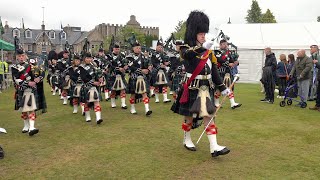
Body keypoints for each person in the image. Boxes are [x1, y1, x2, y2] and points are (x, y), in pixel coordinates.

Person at [173, 10, 230, 157]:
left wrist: (222, 87)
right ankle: (187, 139)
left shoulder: (208, 51)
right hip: (192, 87)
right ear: (194, 34)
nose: (203, 36)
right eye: (201, 34)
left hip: (206, 87)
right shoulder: (185, 48)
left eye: (204, 33)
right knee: (189, 117)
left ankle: (214, 146)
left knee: (209, 115)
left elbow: (214, 71)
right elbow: (189, 55)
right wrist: (203, 47)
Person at [11, 49, 47, 136]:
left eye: (23, 56)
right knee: (24, 110)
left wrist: (39, 78)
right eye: (19, 56)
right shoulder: (14, 67)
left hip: (31, 91)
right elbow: (16, 80)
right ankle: (26, 125)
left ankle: (32, 127)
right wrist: (28, 83)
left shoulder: (31, 66)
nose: (21, 58)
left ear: (26, 56)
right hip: (21, 90)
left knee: (31, 109)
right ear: (17, 57)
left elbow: (41, 73)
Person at [126, 41, 152, 115]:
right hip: (134, 77)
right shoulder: (129, 57)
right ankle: (132, 108)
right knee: (133, 94)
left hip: (142, 77)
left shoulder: (143, 56)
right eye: (137, 48)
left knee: (144, 93)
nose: (139, 49)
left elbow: (149, 63)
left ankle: (147, 109)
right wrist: (142, 70)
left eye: (140, 48)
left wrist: (149, 68)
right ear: (133, 48)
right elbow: (131, 67)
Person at [214, 39, 242, 109]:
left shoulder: (228, 53)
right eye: (224, 44)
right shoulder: (217, 52)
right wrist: (229, 63)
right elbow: (221, 60)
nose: (226, 45)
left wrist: (235, 62)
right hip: (219, 73)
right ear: (220, 45)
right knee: (219, 89)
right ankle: (216, 103)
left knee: (229, 87)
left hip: (227, 73)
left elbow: (232, 61)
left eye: (226, 44)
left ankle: (232, 103)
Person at [79, 53, 103, 124]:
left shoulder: (94, 66)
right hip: (86, 87)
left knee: (96, 102)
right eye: (87, 58)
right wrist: (93, 82)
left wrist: (100, 78)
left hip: (94, 87)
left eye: (90, 58)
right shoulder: (81, 67)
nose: (89, 59)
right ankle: (88, 117)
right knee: (86, 103)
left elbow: (97, 74)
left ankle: (98, 118)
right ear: (84, 59)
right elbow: (84, 78)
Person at [107, 44, 128, 109]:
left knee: (123, 89)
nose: (117, 50)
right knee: (113, 90)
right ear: (113, 49)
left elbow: (125, 63)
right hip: (113, 75)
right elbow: (109, 65)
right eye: (116, 49)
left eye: (118, 49)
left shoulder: (122, 55)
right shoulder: (109, 56)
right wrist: (118, 68)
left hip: (121, 75)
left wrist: (125, 67)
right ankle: (113, 103)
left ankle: (123, 104)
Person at [309, 45, 320, 111]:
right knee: (318, 92)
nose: (310, 50)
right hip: (318, 76)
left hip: (317, 75)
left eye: (311, 49)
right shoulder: (314, 56)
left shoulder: (317, 56)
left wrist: (316, 63)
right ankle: (317, 105)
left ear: (315, 49)